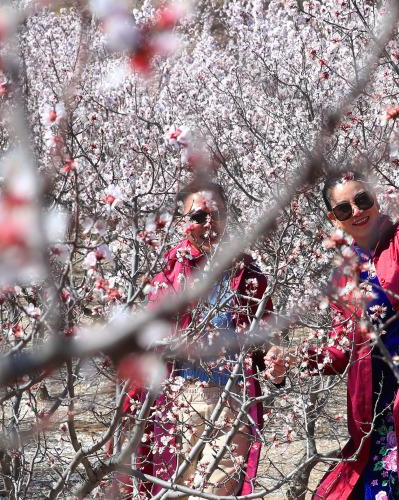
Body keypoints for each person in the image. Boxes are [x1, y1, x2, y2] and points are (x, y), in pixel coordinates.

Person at [267, 170, 399, 500]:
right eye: (344, 209)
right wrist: (295, 359)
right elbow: (341, 351)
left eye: (362, 200)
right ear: (334, 219)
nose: (356, 211)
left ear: (376, 198)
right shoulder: (345, 274)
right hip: (377, 409)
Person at [124, 178, 275, 497]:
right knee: (173, 492)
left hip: (231, 398)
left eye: (215, 214)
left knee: (215, 492)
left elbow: (265, 340)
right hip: (175, 402)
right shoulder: (168, 274)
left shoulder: (247, 275)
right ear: (182, 223)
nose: (208, 223)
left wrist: (274, 364)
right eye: (197, 216)